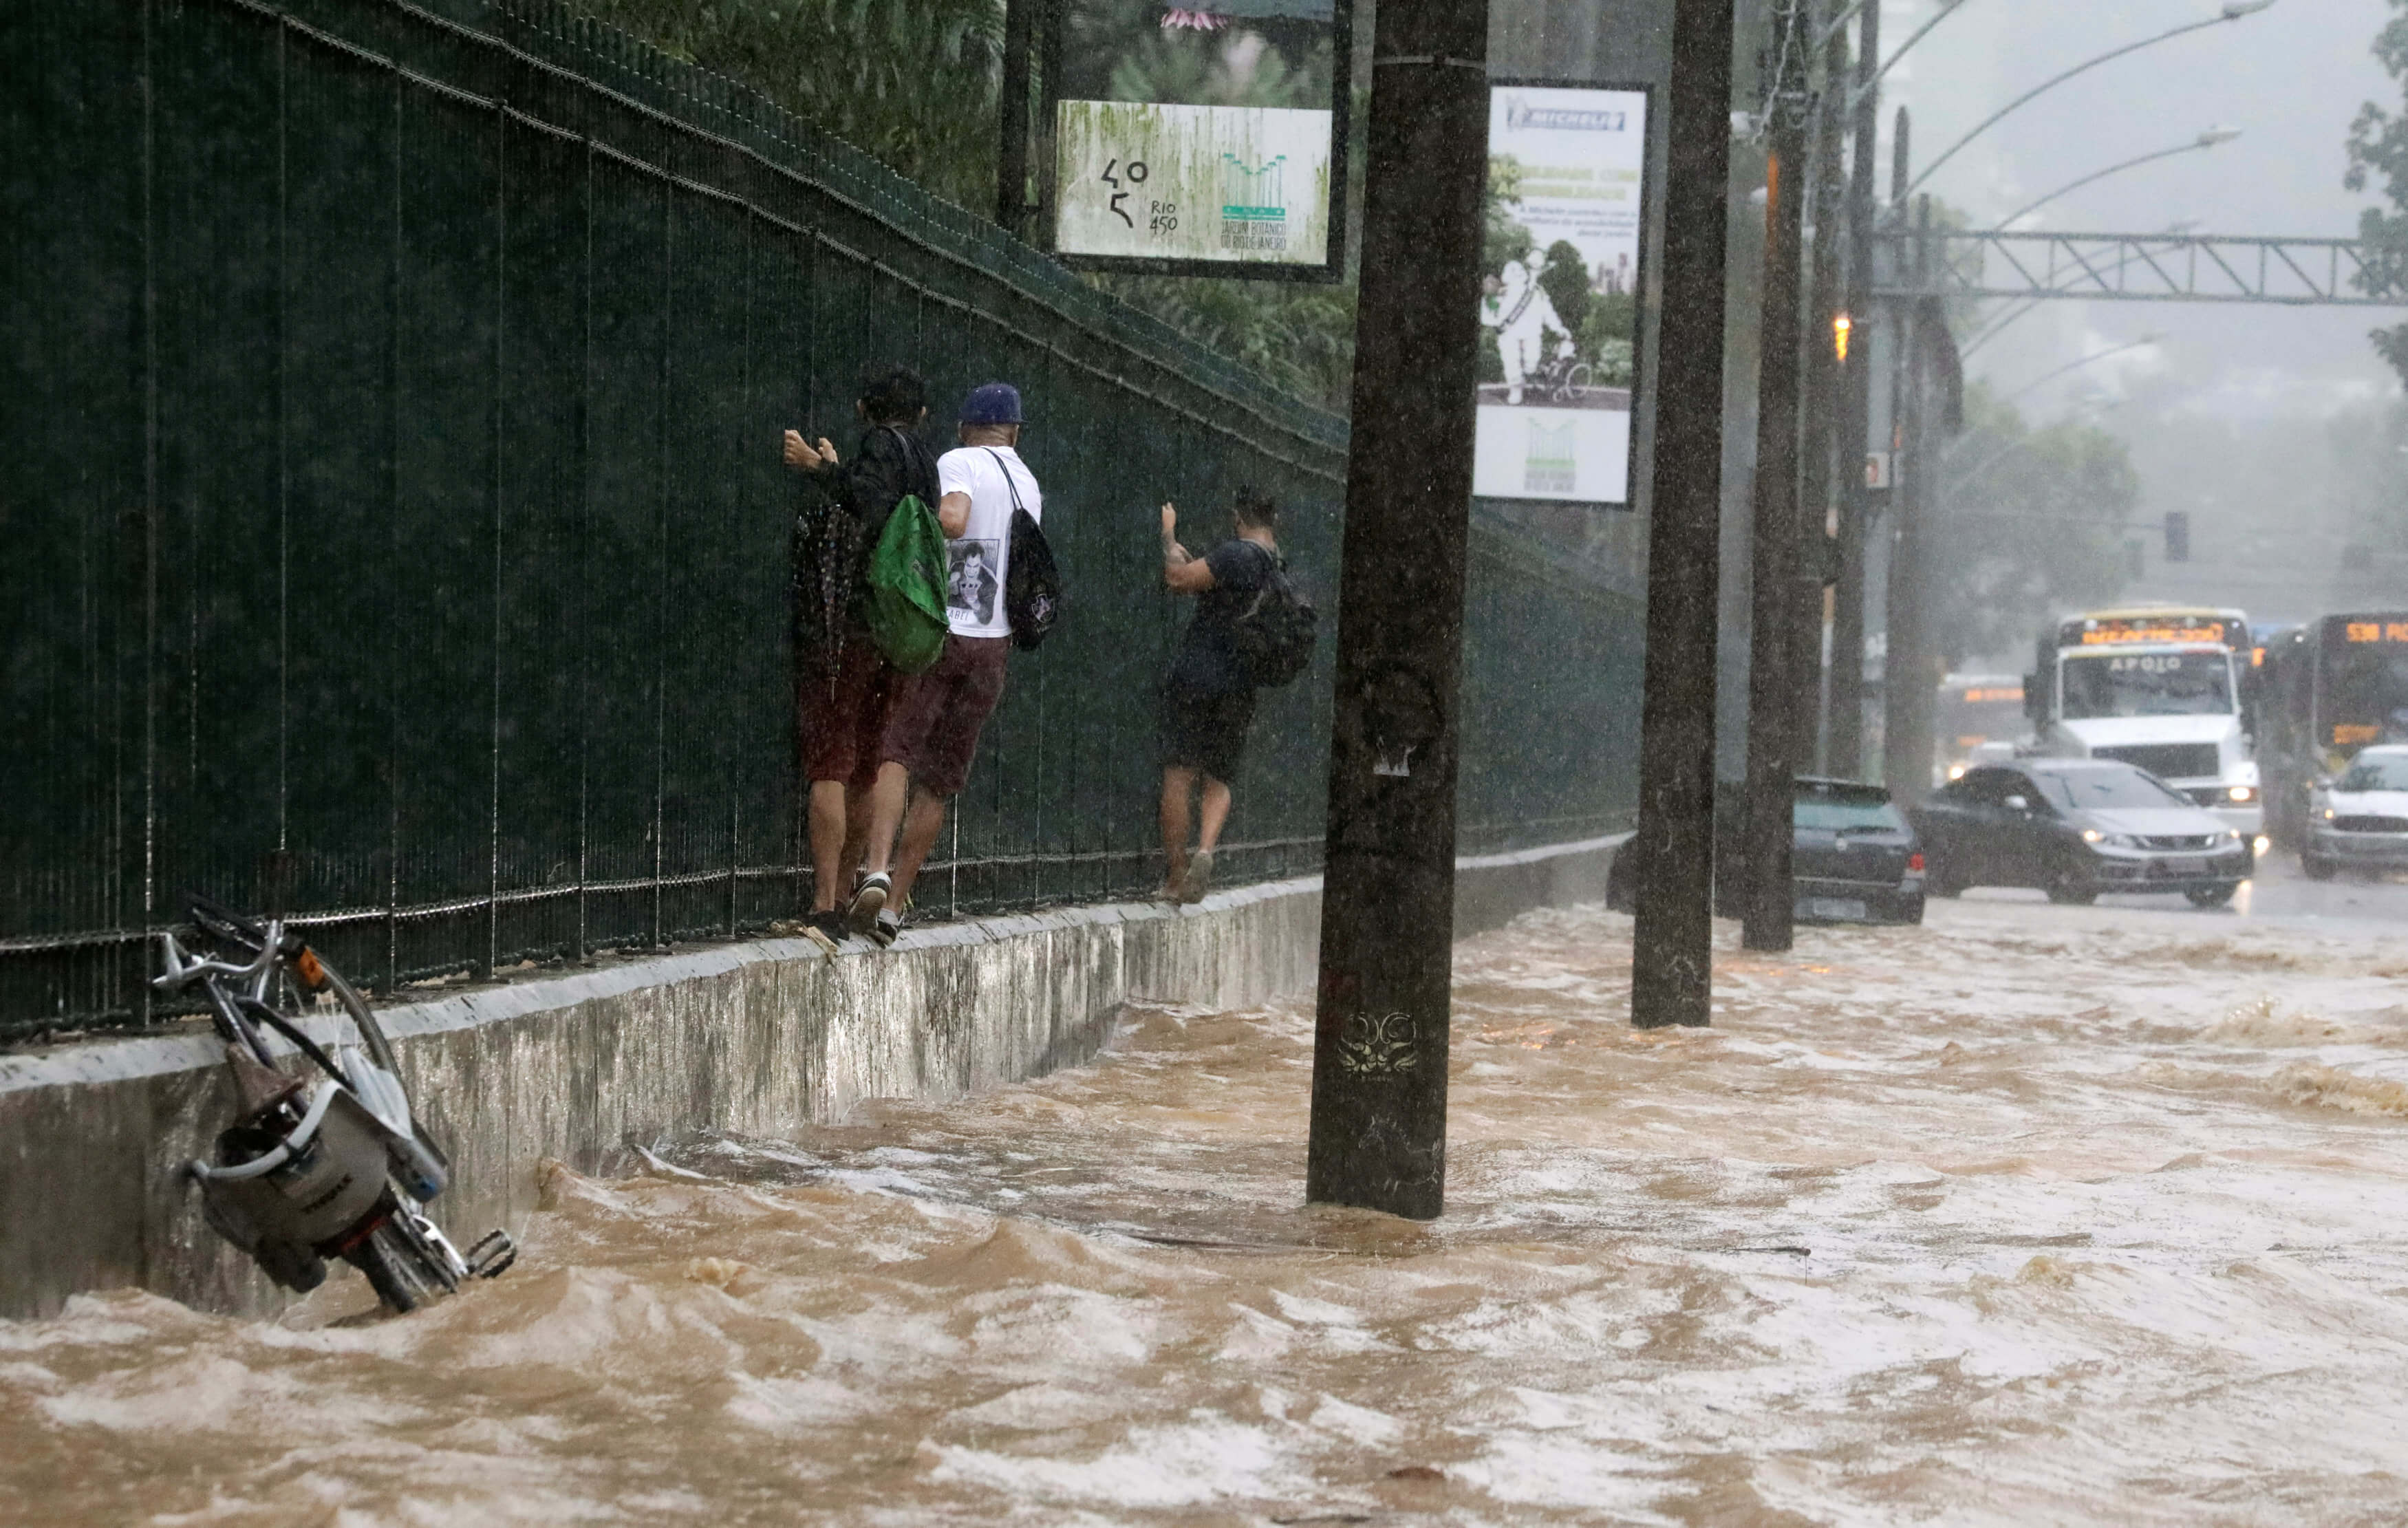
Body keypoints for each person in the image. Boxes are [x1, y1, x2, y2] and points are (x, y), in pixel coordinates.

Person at [848, 382, 1042, 945]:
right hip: (994, 646)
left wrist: (916, 520)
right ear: (1015, 431)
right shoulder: (1027, 482)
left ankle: (876, 868)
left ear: (965, 427)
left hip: (945, 633)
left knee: (896, 749)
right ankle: (896, 906)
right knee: (942, 779)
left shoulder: (958, 461)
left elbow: (954, 519)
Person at [782, 363, 938, 952]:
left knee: (830, 757)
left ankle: (824, 902)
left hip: (852, 623)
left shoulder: (877, 446)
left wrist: (818, 468)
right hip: (899, 630)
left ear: (861, 409)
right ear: (922, 415)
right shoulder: (925, 460)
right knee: (869, 760)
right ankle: (853, 889)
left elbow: (869, 505)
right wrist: (839, 467)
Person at [1156, 487, 1281, 903]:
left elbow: (1178, 578)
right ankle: (1206, 850)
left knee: (1179, 773)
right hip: (1241, 683)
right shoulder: (1276, 568)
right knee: (1220, 778)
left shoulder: (1236, 555)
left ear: (1239, 519)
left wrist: (1170, 539)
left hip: (1199, 675)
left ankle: (1176, 875)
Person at [1481, 255, 1571, 406]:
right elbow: (1488, 316)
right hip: (1508, 333)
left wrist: (1558, 328)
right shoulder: (1501, 294)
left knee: (1532, 361)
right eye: (1512, 271)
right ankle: (1516, 389)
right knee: (1511, 363)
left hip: (1532, 331)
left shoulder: (1537, 292)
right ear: (1506, 275)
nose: (1516, 273)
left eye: (1519, 271)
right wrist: (1488, 299)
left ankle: (1528, 375)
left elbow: (1548, 313)